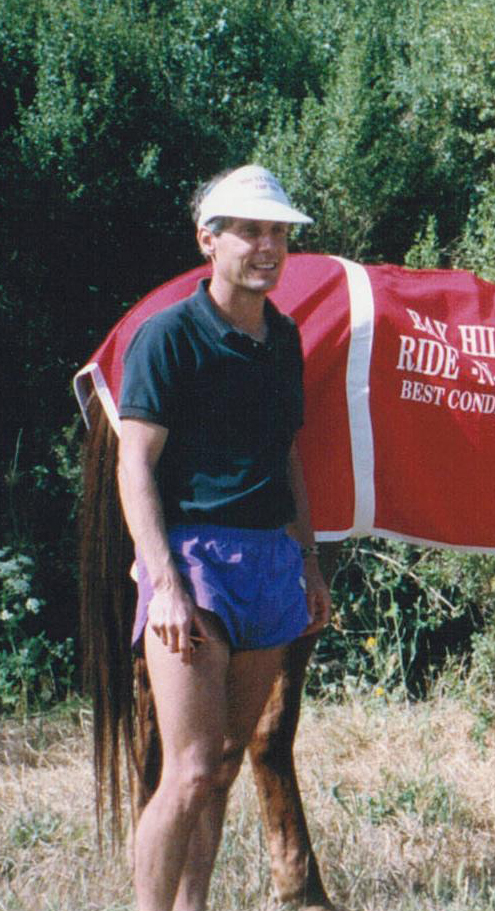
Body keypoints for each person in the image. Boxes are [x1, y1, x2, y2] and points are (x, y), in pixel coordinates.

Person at [115, 164, 332, 911]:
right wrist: (165, 582)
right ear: (209, 238)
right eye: (251, 231)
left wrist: (308, 561)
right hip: (193, 560)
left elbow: (287, 456)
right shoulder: (166, 337)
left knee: (228, 762)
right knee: (192, 766)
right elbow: (134, 466)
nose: (268, 246)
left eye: (278, 232)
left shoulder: (284, 339)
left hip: (269, 560)